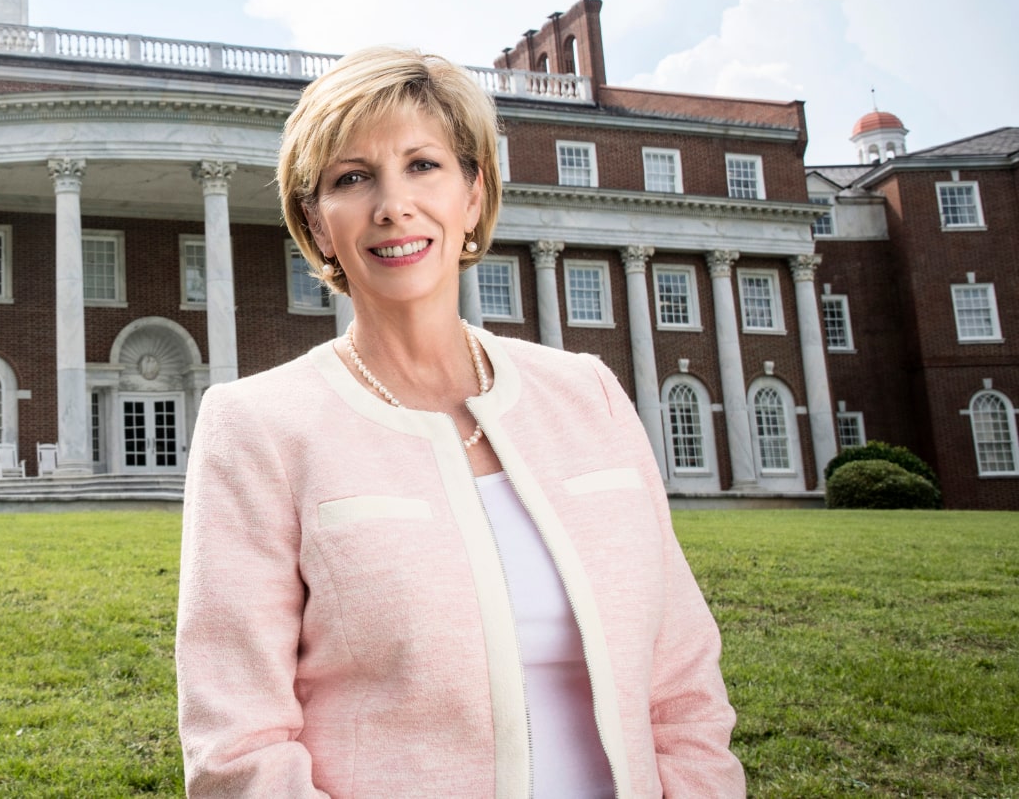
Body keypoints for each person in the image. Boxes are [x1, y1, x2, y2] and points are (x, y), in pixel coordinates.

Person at [175, 46, 746, 798]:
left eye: (423, 165)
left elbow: (683, 686)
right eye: (353, 178)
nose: (393, 205)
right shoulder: (257, 425)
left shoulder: (588, 393)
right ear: (316, 225)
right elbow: (238, 745)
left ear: (473, 195)